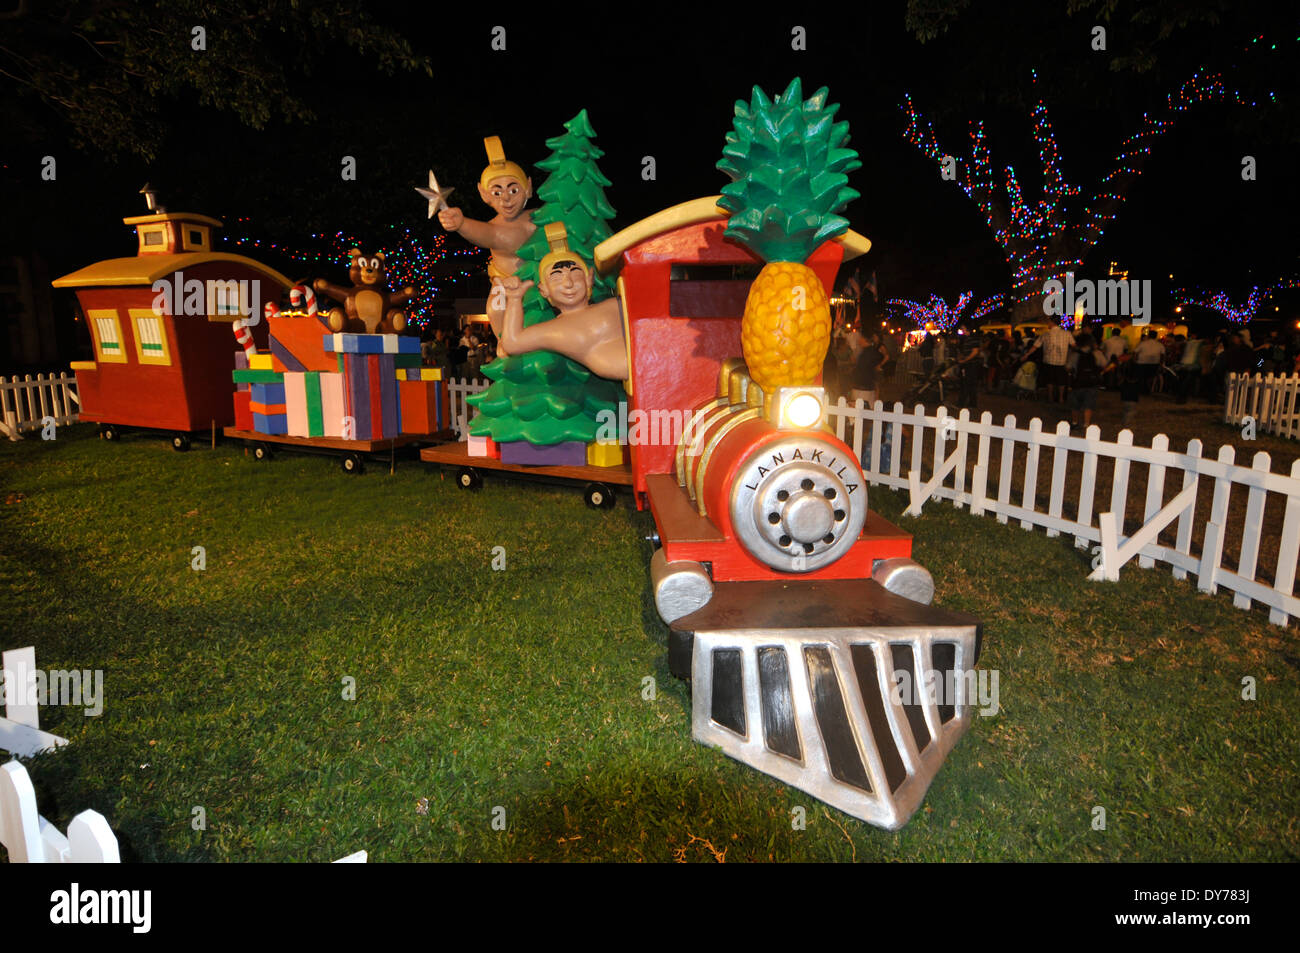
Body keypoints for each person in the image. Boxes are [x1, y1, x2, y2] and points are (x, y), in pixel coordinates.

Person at [1023, 322, 1074, 404]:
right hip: (1062, 362)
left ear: (1052, 323)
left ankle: (1050, 397)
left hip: (1048, 361)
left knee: (1050, 380)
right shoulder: (1067, 333)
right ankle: (1061, 398)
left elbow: (1035, 346)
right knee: (1061, 381)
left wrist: (1027, 354)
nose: (1048, 324)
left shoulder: (1046, 334)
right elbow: (1073, 345)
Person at [1068, 333, 1106, 430]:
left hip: (1077, 382)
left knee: (1075, 404)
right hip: (1092, 383)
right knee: (1089, 404)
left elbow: (1068, 367)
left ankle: (1075, 422)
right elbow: (1104, 363)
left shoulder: (1075, 354)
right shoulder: (1097, 353)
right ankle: (1086, 423)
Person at [850, 330, 889, 409]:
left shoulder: (871, 351)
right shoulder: (869, 350)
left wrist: (880, 365)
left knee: (861, 407)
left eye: (860, 338)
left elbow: (886, 356)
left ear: (865, 339)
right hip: (866, 384)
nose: (858, 340)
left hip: (864, 384)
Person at [953, 327, 983, 410]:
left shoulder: (973, 338)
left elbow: (975, 352)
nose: (962, 330)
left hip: (971, 364)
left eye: (963, 328)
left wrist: (964, 360)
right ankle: (971, 404)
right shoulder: (967, 339)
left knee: (967, 384)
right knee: (969, 384)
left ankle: (962, 403)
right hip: (968, 364)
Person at [1133, 330, 1165, 394]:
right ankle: (1148, 390)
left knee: (1141, 378)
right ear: (1156, 336)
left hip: (1141, 363)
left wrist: (1135, 360)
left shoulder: (1142, 343)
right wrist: (1160, 364)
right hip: (1154, 364)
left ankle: (1141, 390)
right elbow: (1162, 356)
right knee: (1150, 377)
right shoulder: (1160, 345)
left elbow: (1135, 352)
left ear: (1148, 336)